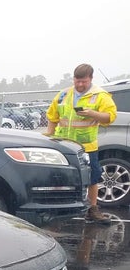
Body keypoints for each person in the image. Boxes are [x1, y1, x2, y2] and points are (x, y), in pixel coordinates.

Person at [45, 63, 117, 223]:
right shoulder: (64, 94)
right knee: (58, 177)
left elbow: (110, 117)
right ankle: (54, 209)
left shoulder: (100, 95)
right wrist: (48, 137)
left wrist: (93, 114)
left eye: (83, 81)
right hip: (62, 145)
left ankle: (92, 210)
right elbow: (52, 116)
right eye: (77, 81)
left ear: (90, 79)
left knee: (92, 178)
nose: (79, 84)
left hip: (87, 147)